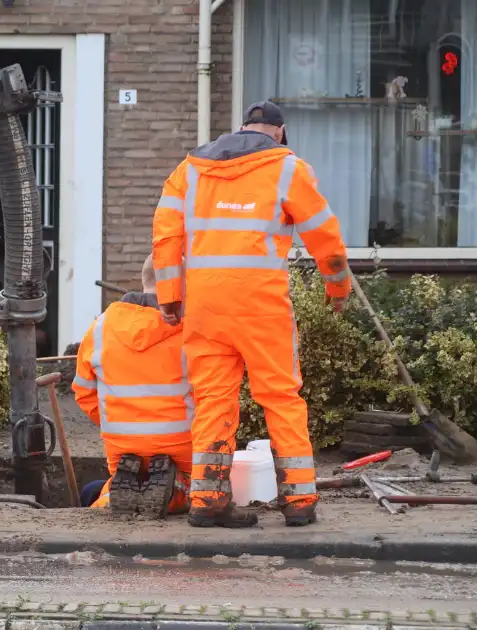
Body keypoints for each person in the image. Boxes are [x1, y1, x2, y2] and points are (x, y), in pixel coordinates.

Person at [151, 101, 351, 528]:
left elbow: (166, 236)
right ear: (279, 132)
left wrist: (169, 297)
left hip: (205, 308)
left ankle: (207, 498)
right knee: (280, 396)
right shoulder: (288, 168)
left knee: (212, 399)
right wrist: (338, 289)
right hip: (261, 307)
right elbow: (325, 237)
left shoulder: (188, 170)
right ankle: (298, 501)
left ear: (241, 127)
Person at [72, 255, 192, 518]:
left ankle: (110, 496)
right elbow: (213, 392)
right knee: (195, 490)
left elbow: (83, 391)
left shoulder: (101, 327)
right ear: (182, 284)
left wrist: (118, 419)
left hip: (122, 448)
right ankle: (175, 490)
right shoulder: (193, 330)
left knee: (94, 490)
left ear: (144, 280)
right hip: (183, 450)